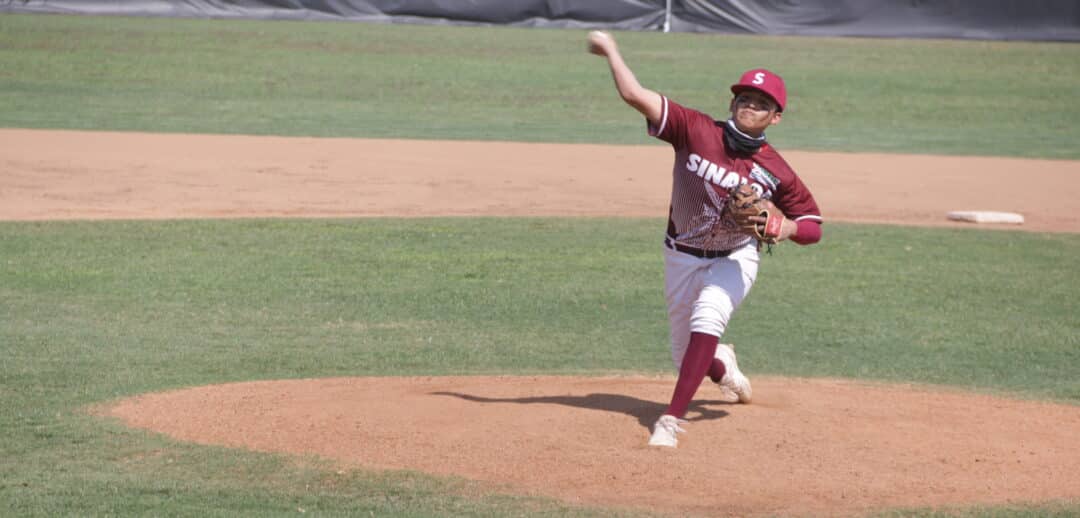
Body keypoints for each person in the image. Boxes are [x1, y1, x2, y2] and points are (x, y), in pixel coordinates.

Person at [586, 31, 823, 448]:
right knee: (686, 357)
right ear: (731, 103)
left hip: (734, 257)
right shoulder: (694, 129)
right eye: (745, 98)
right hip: (679, 256)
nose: (752, 106)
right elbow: (634, 94)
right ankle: (723, 368)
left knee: (708, 316)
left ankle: (671, 421)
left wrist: (784, 228)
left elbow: (813, 225)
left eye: (762, 103)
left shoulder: (777, 171)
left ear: (776, 117)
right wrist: (611, 51)